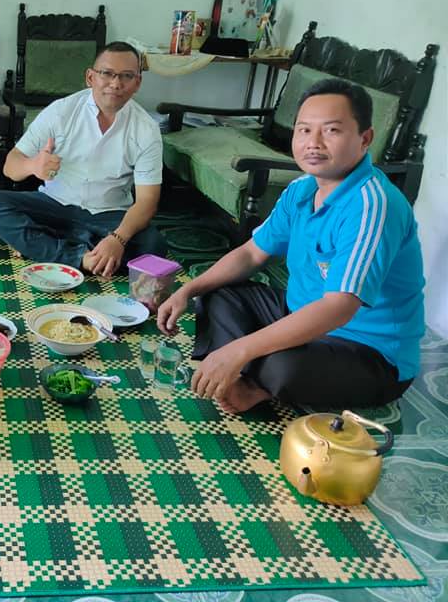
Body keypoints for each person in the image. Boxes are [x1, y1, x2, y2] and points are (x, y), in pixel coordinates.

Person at [157, 79, 424, 414]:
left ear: (365, 138)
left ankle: (253, 382)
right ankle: (240, 373)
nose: (313, 143)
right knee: (217, 293)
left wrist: (240, 349)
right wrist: (188, 290)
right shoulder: (302, 189)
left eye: (331, 130)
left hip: (368, 349)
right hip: (300, 311)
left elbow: (339, 308)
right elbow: (251, 253)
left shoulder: (373, 205)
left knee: (282, 367)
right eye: (304, 130)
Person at [0, 41, 166, 278]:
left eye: (126, 76)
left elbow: (147, 201)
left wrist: (118, 239)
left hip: (110, 215)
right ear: (90, 77)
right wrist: (33, 165)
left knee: (153, 246)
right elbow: (10, 166)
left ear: (137, 82)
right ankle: (81, 256)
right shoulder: (61, 111)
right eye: (107, 73)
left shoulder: (146, 129)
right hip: (55, 205)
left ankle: (47, 245)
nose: (116, 83)